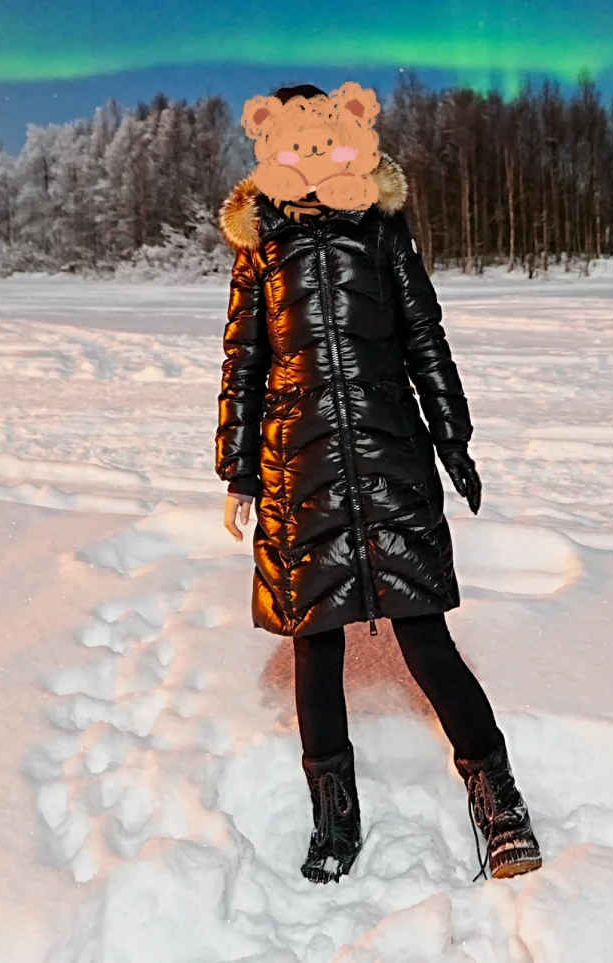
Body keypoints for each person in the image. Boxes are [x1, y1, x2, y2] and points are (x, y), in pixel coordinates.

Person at [215, 83, 541, 885]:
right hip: (300, 468)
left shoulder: (380, 229)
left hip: (391, 452)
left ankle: (498, 798)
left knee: (424, 634)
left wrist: (453, 436)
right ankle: (335, 811)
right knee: (314, 645)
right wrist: (238, 468)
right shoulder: (260, 242)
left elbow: (425, 333)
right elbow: (244, 360)